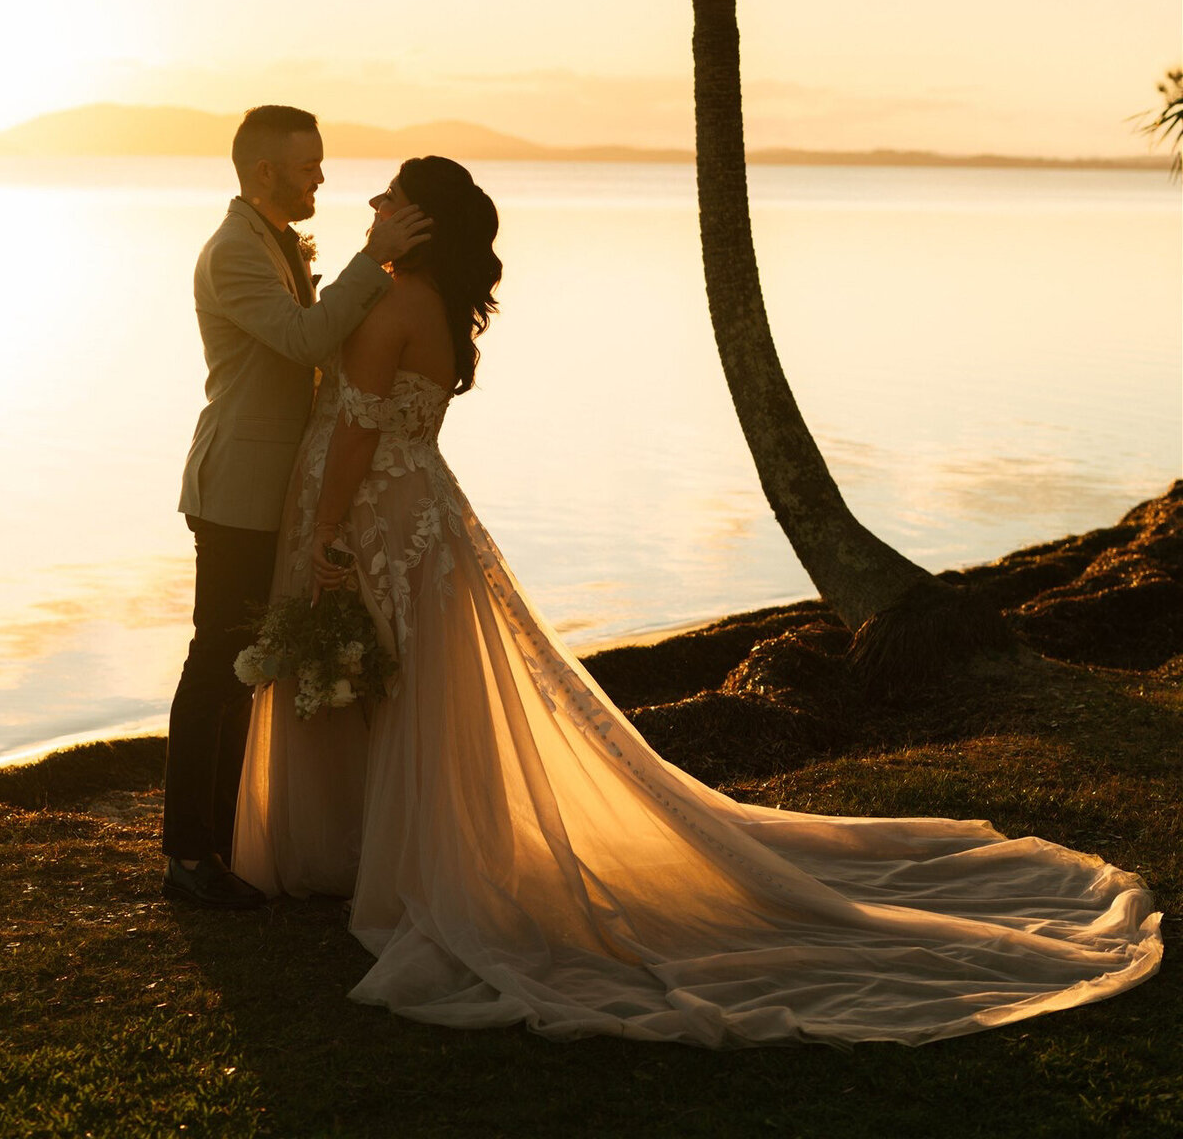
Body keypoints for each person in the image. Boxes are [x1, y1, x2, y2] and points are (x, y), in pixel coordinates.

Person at [234, 156, 1162, 1044]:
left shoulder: (395, 298)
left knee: (403, 685)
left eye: (389, 199)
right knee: (418, 690)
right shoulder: (428, 301)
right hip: (422, 510)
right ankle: (398, 852)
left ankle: (411, 869)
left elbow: (357, 427)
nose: (371, 209)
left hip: (381, 513)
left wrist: (324, 530)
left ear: (420, 220)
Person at [162, 105, 430, 909]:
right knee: (218, 659)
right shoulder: (233, 255)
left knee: (250, 665)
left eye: (321, 162)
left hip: (281, 485)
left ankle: (223, 839)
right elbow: (306, 341)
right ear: (263, 172)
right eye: (308, 165)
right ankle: (185, 853)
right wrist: (373, 260)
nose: (321, 176)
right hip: (238, 487)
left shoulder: (274, 242)